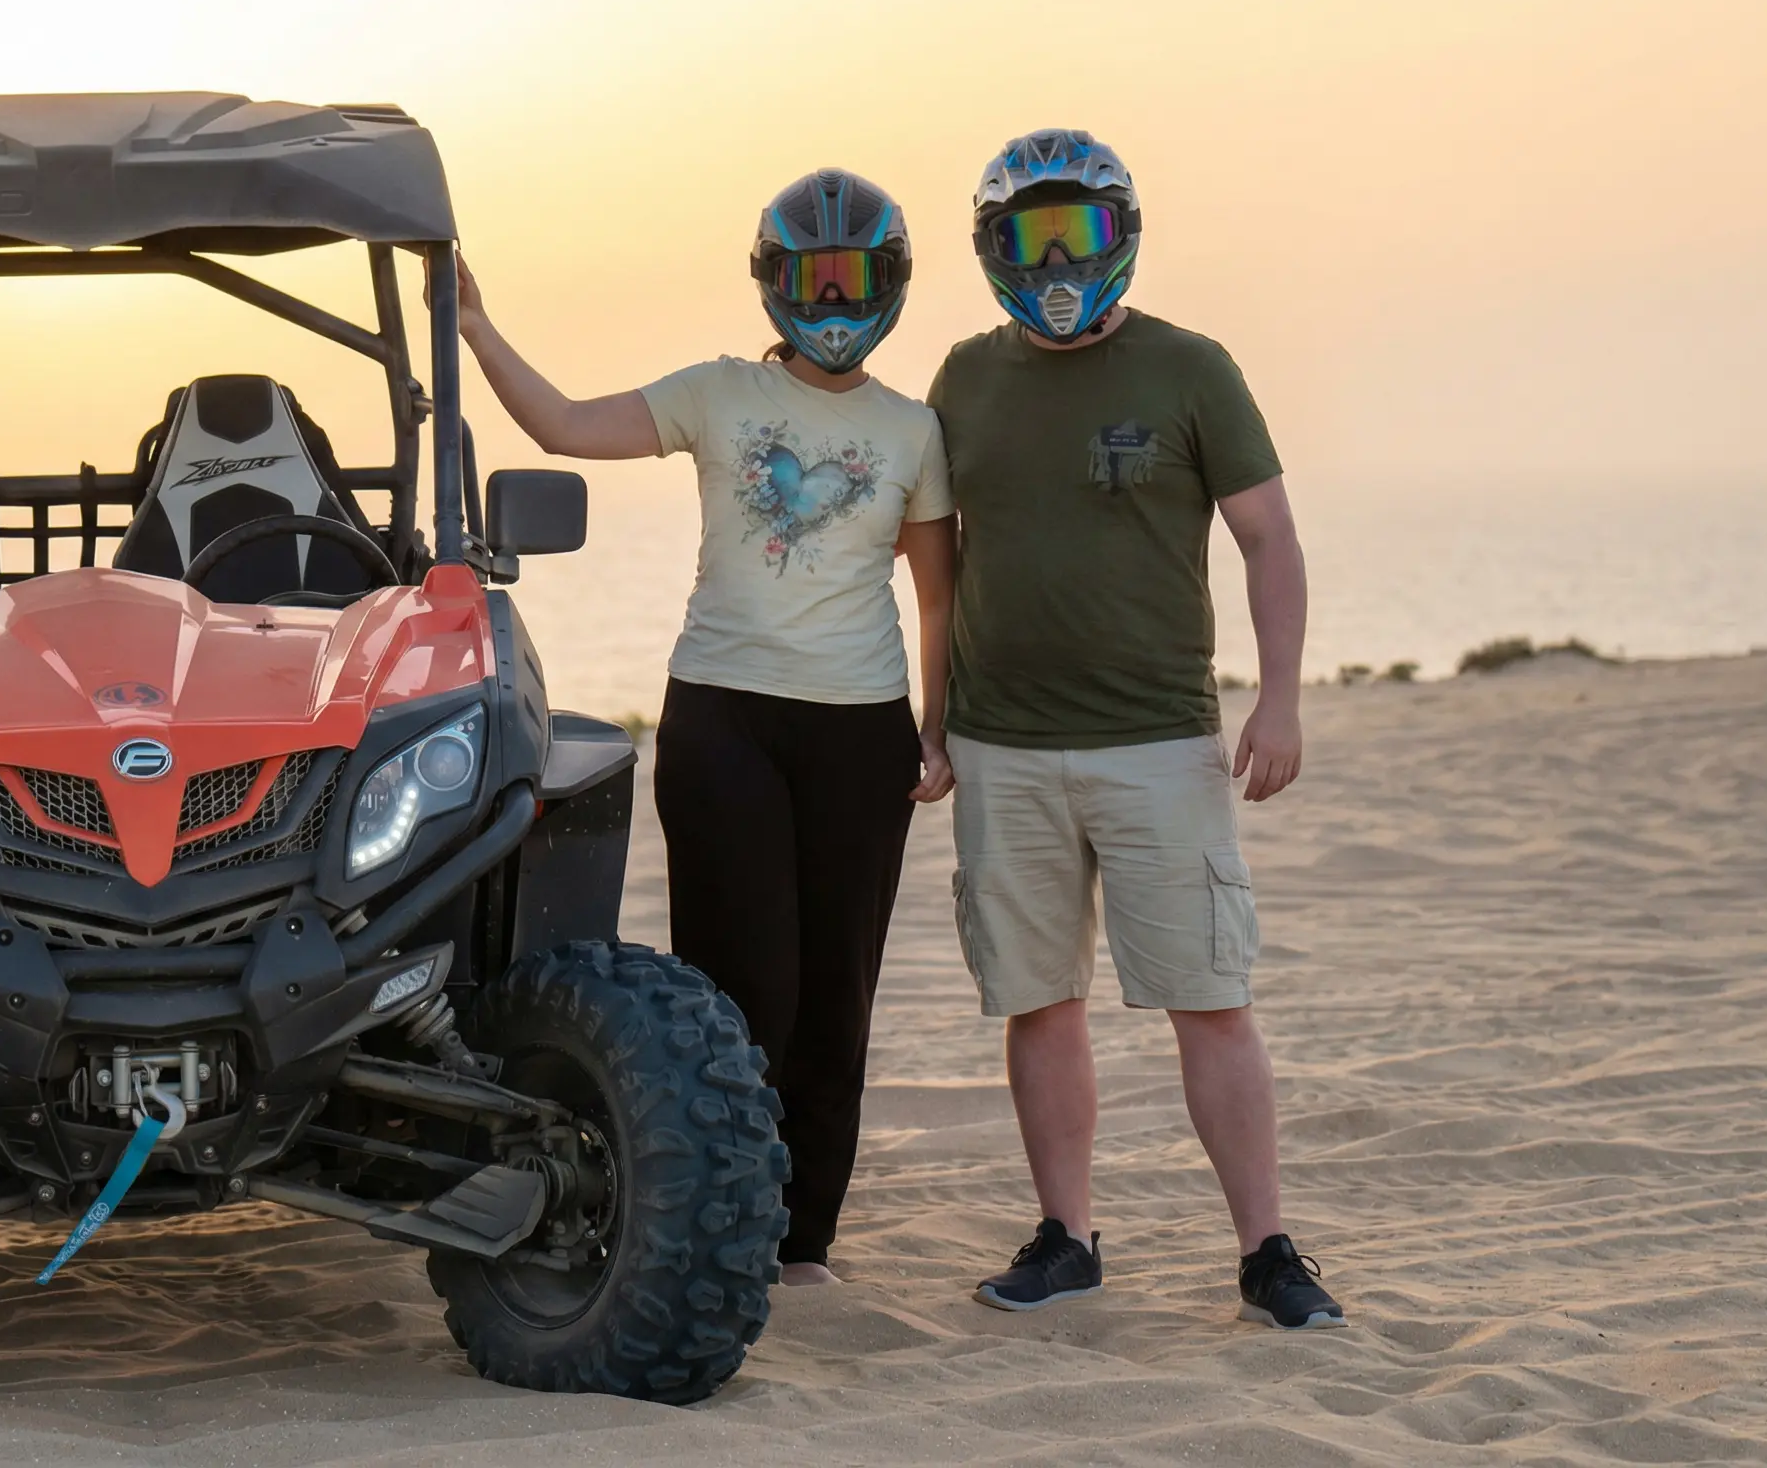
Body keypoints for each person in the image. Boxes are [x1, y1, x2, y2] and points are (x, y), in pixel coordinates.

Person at [450, 169, 957, 1286]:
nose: (835, 299)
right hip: (724, 722)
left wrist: (940, 725)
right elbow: (566, 424)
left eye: (858, 277)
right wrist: (477, 328)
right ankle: (723, 1213)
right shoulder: (715, 392)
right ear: (773, 285)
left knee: (837, 996)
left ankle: (802, 1243)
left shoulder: (913, 430)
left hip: (862, 736)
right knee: (739, 989)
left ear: (894, 285)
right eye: (813, 278)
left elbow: (936, 595)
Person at [924, 129, 1344, 1328]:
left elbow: (1269, 537)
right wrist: (934, 725)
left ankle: (1266, 1251)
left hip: (1159, 742)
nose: (1055, 262)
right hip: (1002, 747)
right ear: (990, 249)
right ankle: (1066, 1237)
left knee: (1208, 996)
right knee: (1036, 998)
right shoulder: (962, 376)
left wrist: (1280, 695)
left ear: (1123, 232)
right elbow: (936, 564)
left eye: (1079, 234)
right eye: (1027, 239)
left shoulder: (1192, 368)